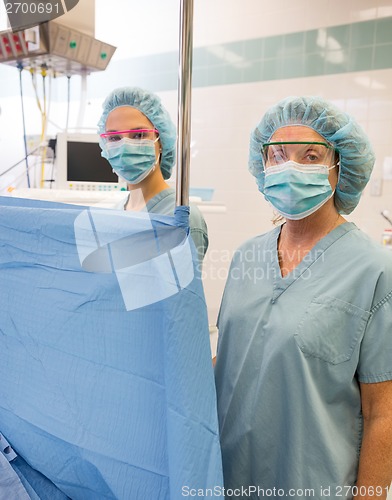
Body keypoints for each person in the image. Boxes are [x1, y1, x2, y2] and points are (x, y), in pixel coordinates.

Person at [214, 96, 392, 499]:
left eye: (310, 156)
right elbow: (235, 361)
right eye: (277, 156)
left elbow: (383, 412)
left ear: (339, 167)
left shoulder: (373, 269)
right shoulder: (246, 256)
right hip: (227, 477)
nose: (290, 167)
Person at [98, 86, 208, 263]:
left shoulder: (182, 218)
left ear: (161, 141)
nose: (125, 146)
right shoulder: (116, 213)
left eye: (138, 135)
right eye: (114, 138)